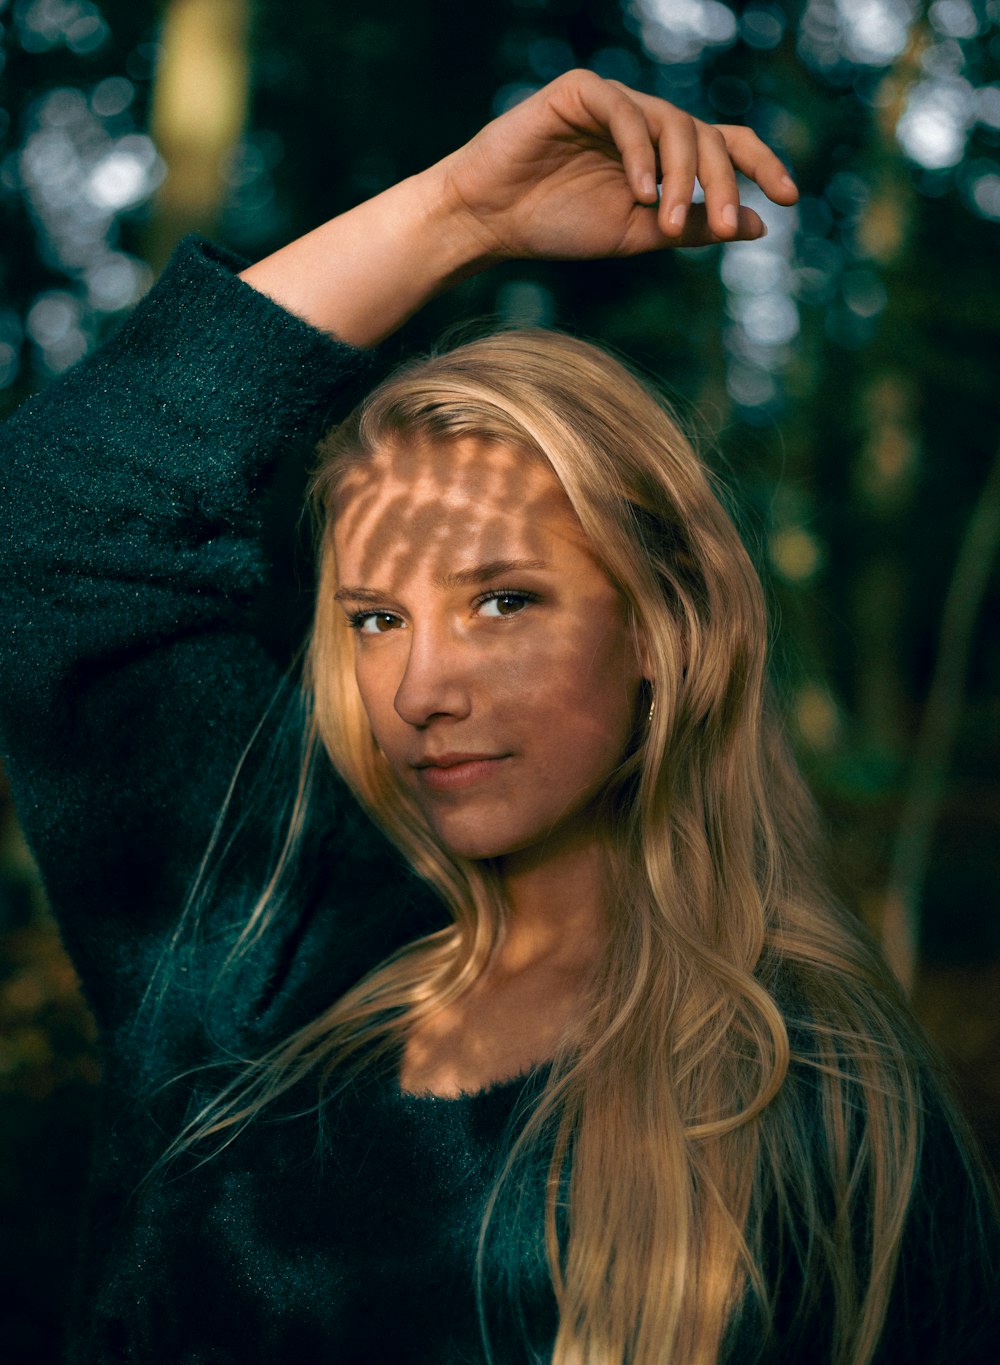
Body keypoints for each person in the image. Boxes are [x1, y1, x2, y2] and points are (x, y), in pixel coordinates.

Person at [0, 71, 996, 1365]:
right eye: (374, 619)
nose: (421, 688)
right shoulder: (262, 944)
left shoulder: (828, 1110)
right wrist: (455, 214)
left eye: (501, 600)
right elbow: (60, 523)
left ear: (659, 626)